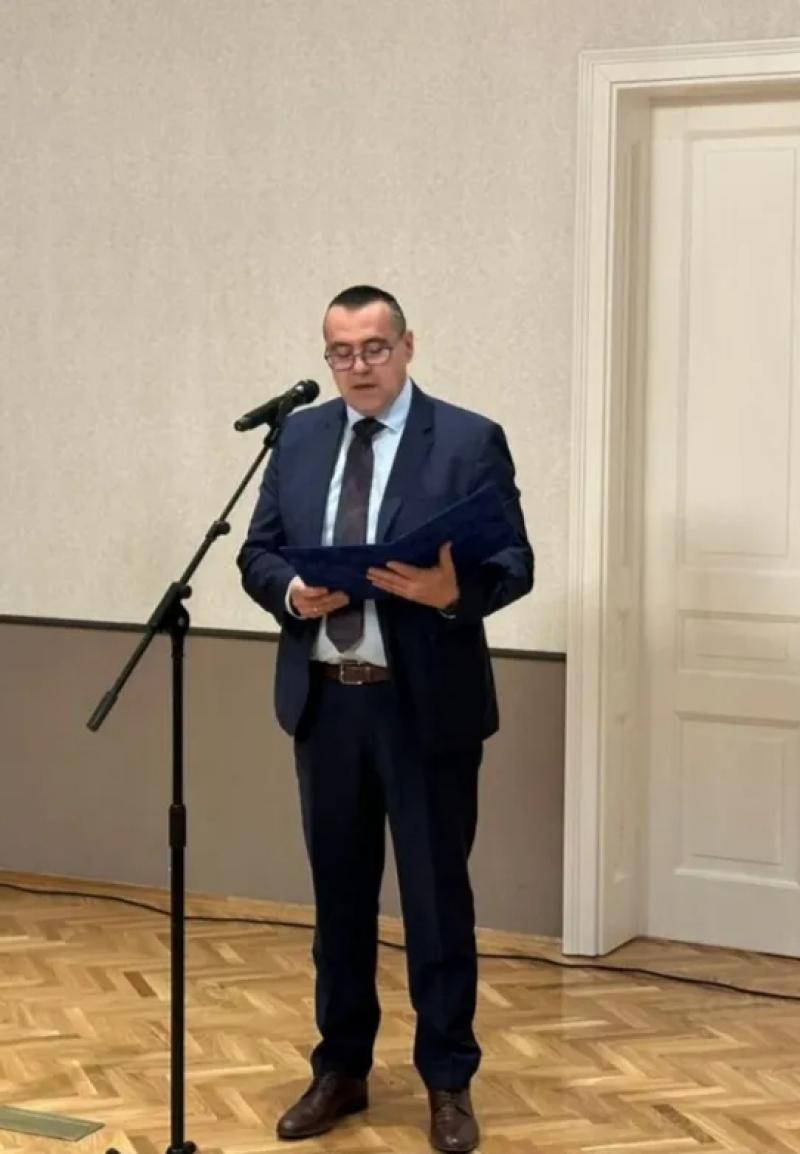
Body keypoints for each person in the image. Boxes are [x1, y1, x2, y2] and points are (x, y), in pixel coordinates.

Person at [237, 285, 533, 1153]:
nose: (358, 365)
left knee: (437, 900)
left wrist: (452, 593)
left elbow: (514, 561)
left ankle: (448, 1080)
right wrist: (291, 591)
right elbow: (257, 552)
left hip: (425, 707)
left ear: (407, 346)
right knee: (339, 900)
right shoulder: (298, 438)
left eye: (374, 347)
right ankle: (342, 1069)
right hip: (327, 702)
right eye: (341, 351)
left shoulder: (468, 440)